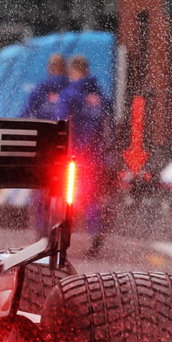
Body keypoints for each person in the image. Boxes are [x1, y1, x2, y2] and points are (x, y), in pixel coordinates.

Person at [59, 56, 114, 254]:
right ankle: (95, 233)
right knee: (92, 198)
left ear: (73, 72)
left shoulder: (70, 94)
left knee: (65, 196)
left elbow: (61, 124)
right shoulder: (101, 95)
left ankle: (61, 237)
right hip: (97, 157)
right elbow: (110, 125)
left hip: (74, 156)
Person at [23, 53, 71, 120]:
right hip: (66, 128)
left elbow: (25, 114)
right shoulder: (73, 88)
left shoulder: (40, 88)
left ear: (49, 68)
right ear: (65, 68)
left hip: (44, 128)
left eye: (52, 66)